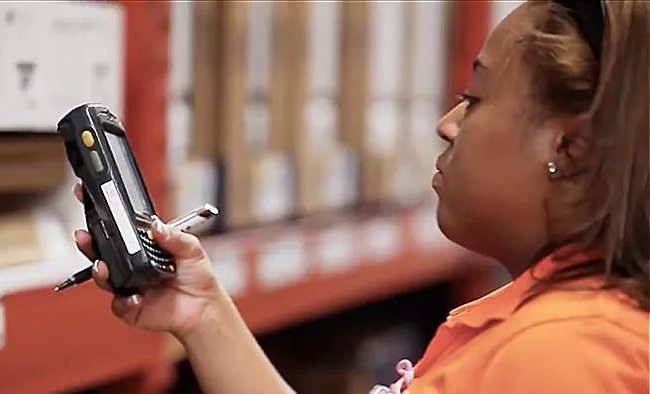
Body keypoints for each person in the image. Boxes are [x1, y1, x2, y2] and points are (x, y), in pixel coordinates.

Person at [73, 0, 648, 393]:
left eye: (476, 97)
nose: (447, 124)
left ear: (570, 150)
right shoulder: (558, 330)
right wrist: (202, 316)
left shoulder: (562, 361)